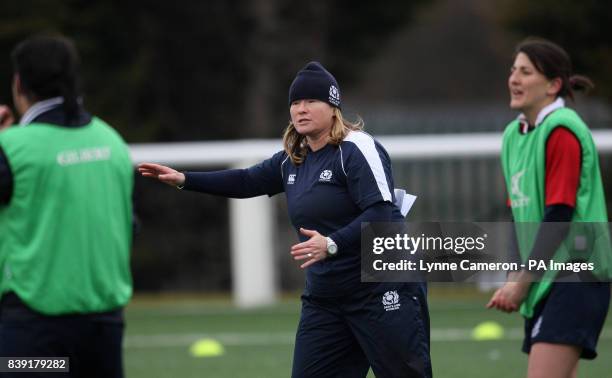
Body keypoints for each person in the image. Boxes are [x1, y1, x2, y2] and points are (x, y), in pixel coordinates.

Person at [139, 61, 431, 377]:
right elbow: (246, 181)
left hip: (382, 288)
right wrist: (185, 179)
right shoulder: (294, 158)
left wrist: (332, 244)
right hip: (328, 299)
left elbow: (382, 214)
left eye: (311, 101)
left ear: (334, 107)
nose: (300, 109)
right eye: (295, 102)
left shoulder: (356, 148)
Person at [0, 35, 133, 378]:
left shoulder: (11, 148)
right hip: (103, 329)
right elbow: (126, 223)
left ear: (19, 84)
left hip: (34, 332)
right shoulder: (110, 140)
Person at [487, 38, 611, 378]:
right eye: (513, 70)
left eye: (526, 72)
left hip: (576, 275)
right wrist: (514, 276)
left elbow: (559, 216)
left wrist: (522, 282)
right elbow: (517, 215)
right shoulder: (514, 135)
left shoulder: (562, 131)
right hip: (545, 278)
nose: (514, 79)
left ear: (554, 85)